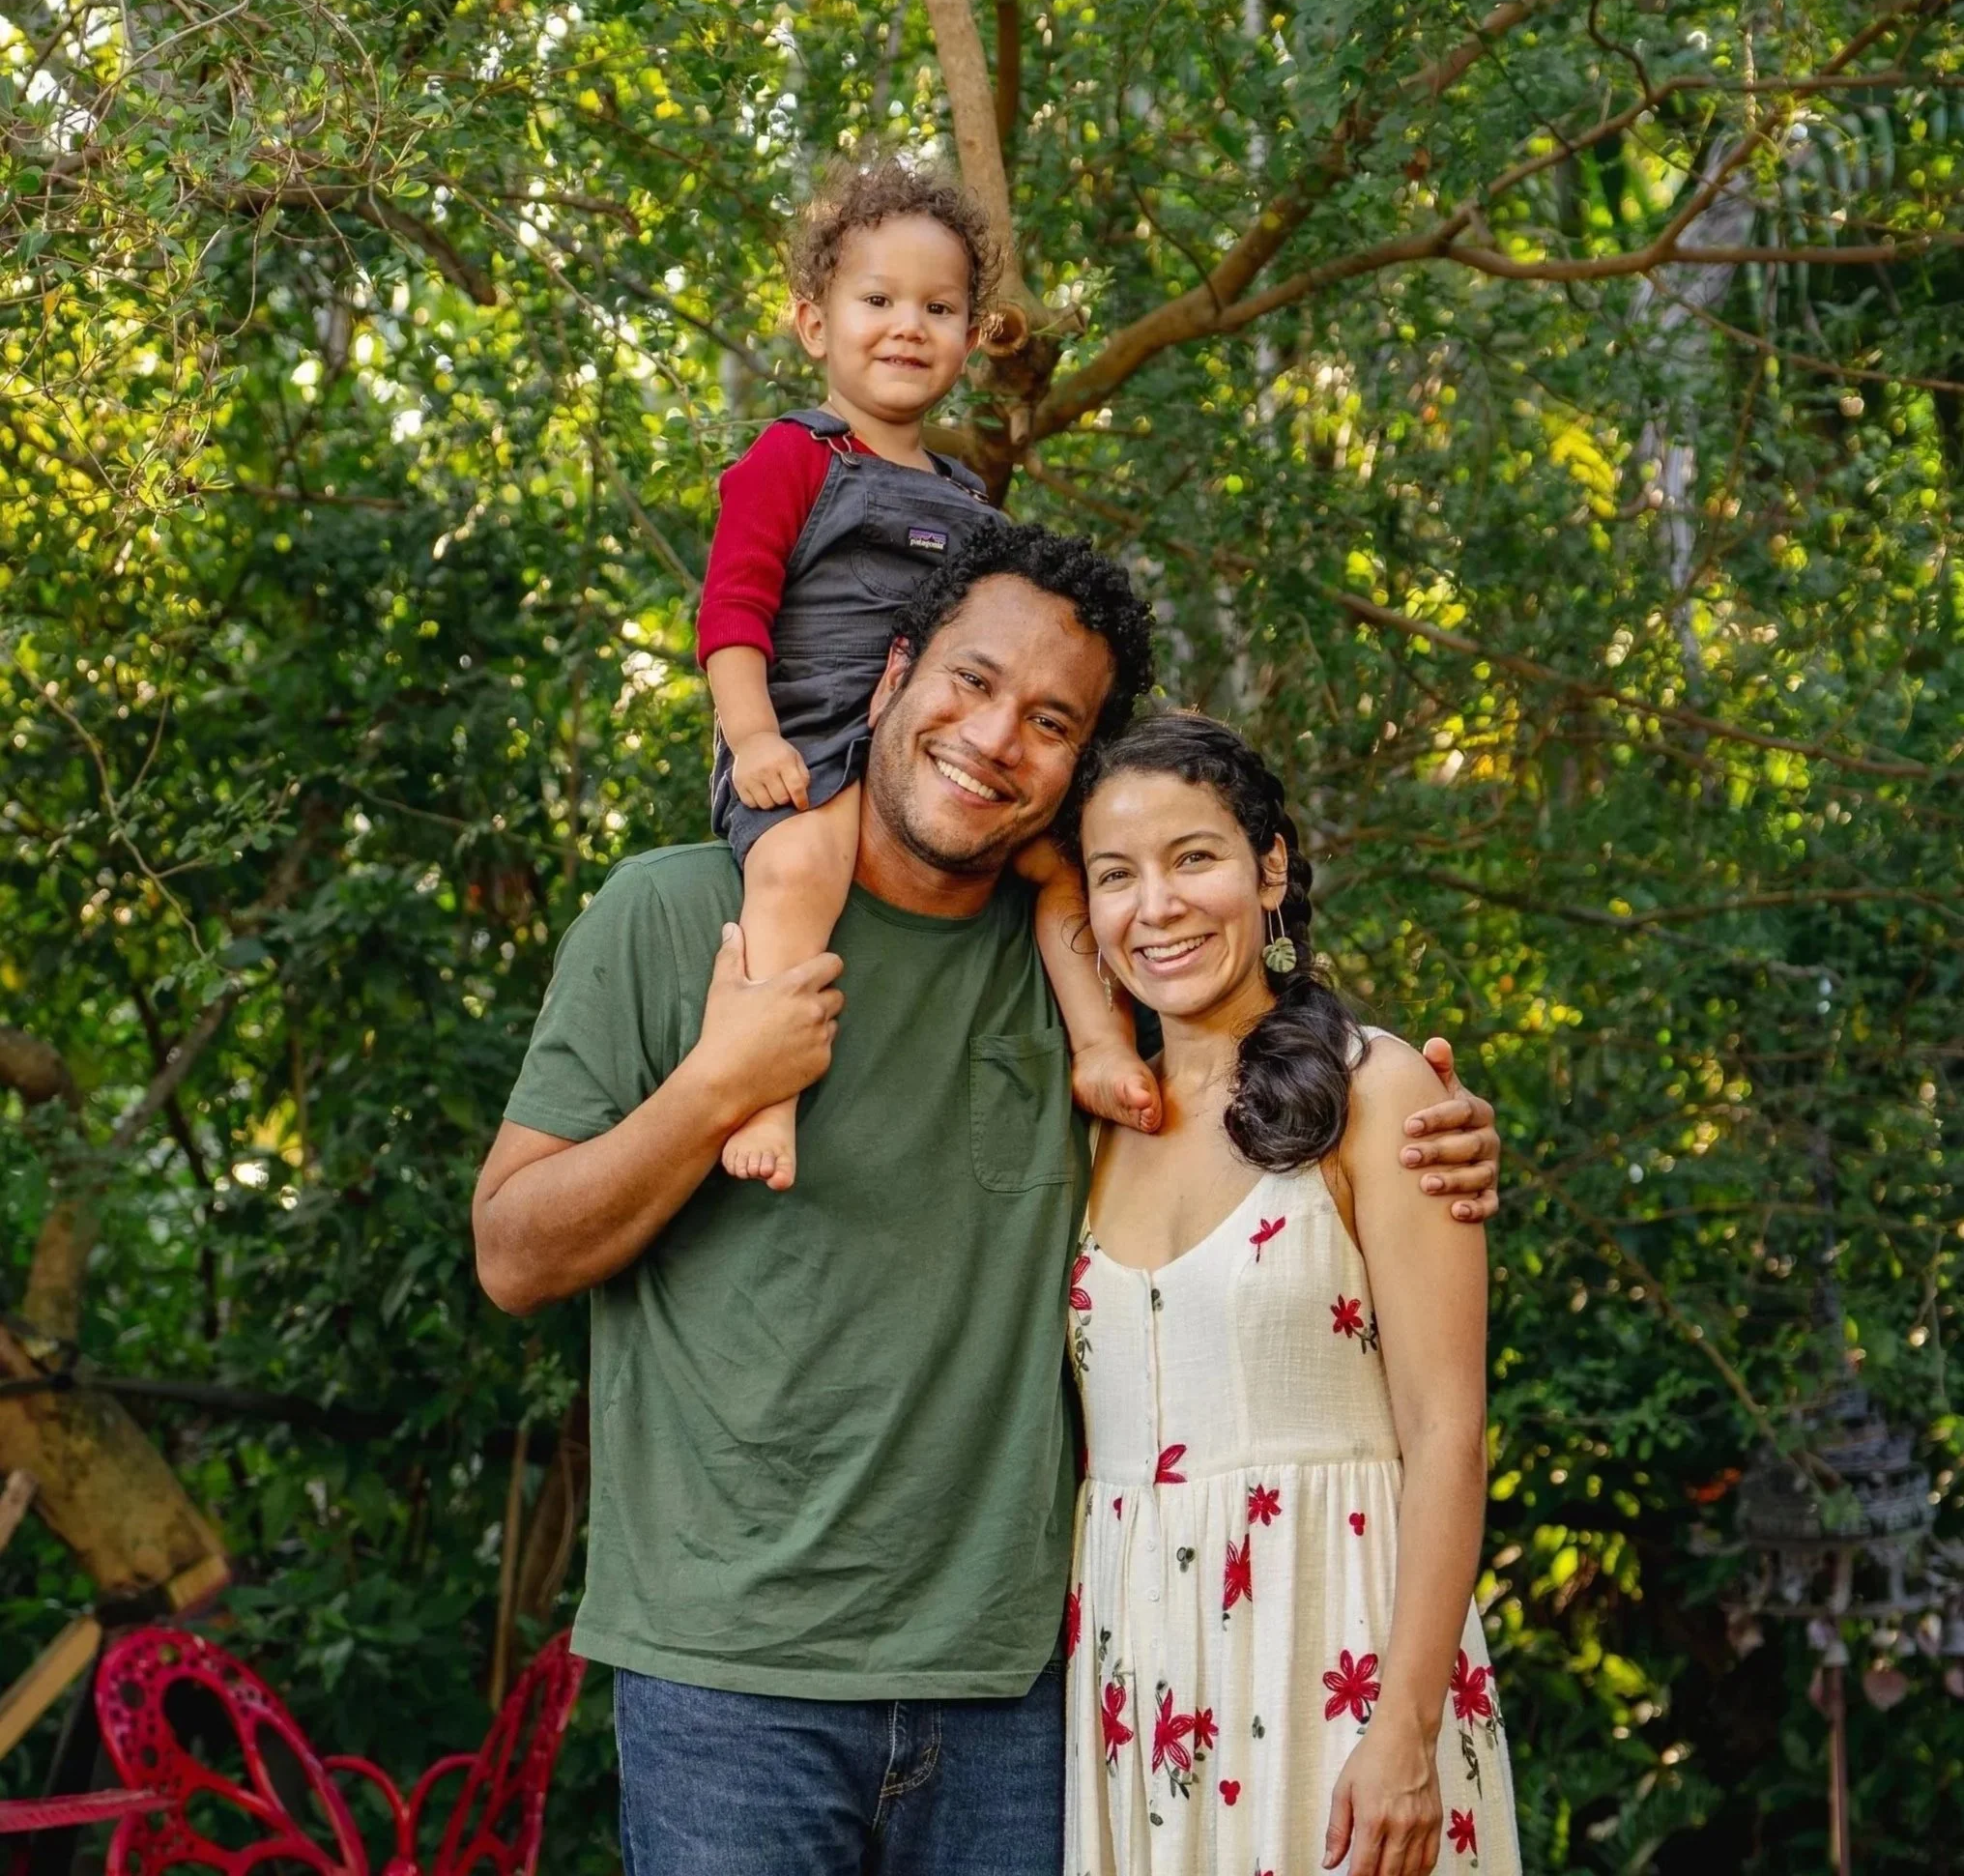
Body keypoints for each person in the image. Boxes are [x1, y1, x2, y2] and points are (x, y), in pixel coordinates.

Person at [472, 527, 1504, 1876]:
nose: (995, 737)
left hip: (1025, 1697)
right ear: (893, 672)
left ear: (1076, 771)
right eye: (970, 680)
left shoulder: (1092, 983)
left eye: (1052, 722)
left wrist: (1436, 1125)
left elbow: (1262, 1094)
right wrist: (716, 1086)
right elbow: (513, 1255)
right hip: (733, 1685)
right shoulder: (677, 917)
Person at [1059, 712, 1520, 1876]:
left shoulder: (1377, 1090)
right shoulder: (1092, 1124)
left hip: (1339, 1656)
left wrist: (1404, 1727)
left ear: (1269, 867)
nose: (1156, 905)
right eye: (1115, 873)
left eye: (1193, 857)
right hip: (1137, 1680)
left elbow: (1447, 1430)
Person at [696, 153, 1157, 1192]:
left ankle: (1099, 1044)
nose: (907, 326)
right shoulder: (791, 458)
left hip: (927, 745)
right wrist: (753, 736)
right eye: (878, 301)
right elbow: (730, 613)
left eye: (938, 308)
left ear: (974, 336)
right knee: (797, 868)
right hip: (809, 732)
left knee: (1061, 870)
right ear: (814, 324)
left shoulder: (972, 500)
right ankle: (764, 1088)